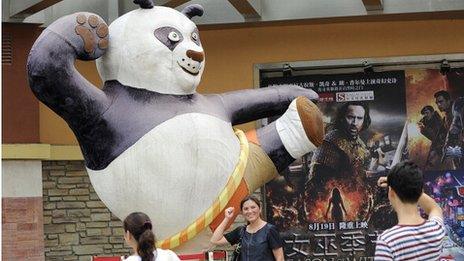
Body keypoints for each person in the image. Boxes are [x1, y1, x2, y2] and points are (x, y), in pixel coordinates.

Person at [374, 161, 445, 261]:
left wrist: (396, 184)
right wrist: (410, 186)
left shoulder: (387, 241)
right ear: (421, 192)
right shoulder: (436, 229)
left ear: (391, 193)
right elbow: (434, 208)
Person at [210, 195, 285, 261]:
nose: (249, 211)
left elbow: (280, 258)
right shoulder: (241, 231)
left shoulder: (270, 230)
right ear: (242, 212)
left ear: (260, 209)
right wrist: (227, 218)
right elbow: (215, 240)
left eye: (253, 207)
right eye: (246, 209)